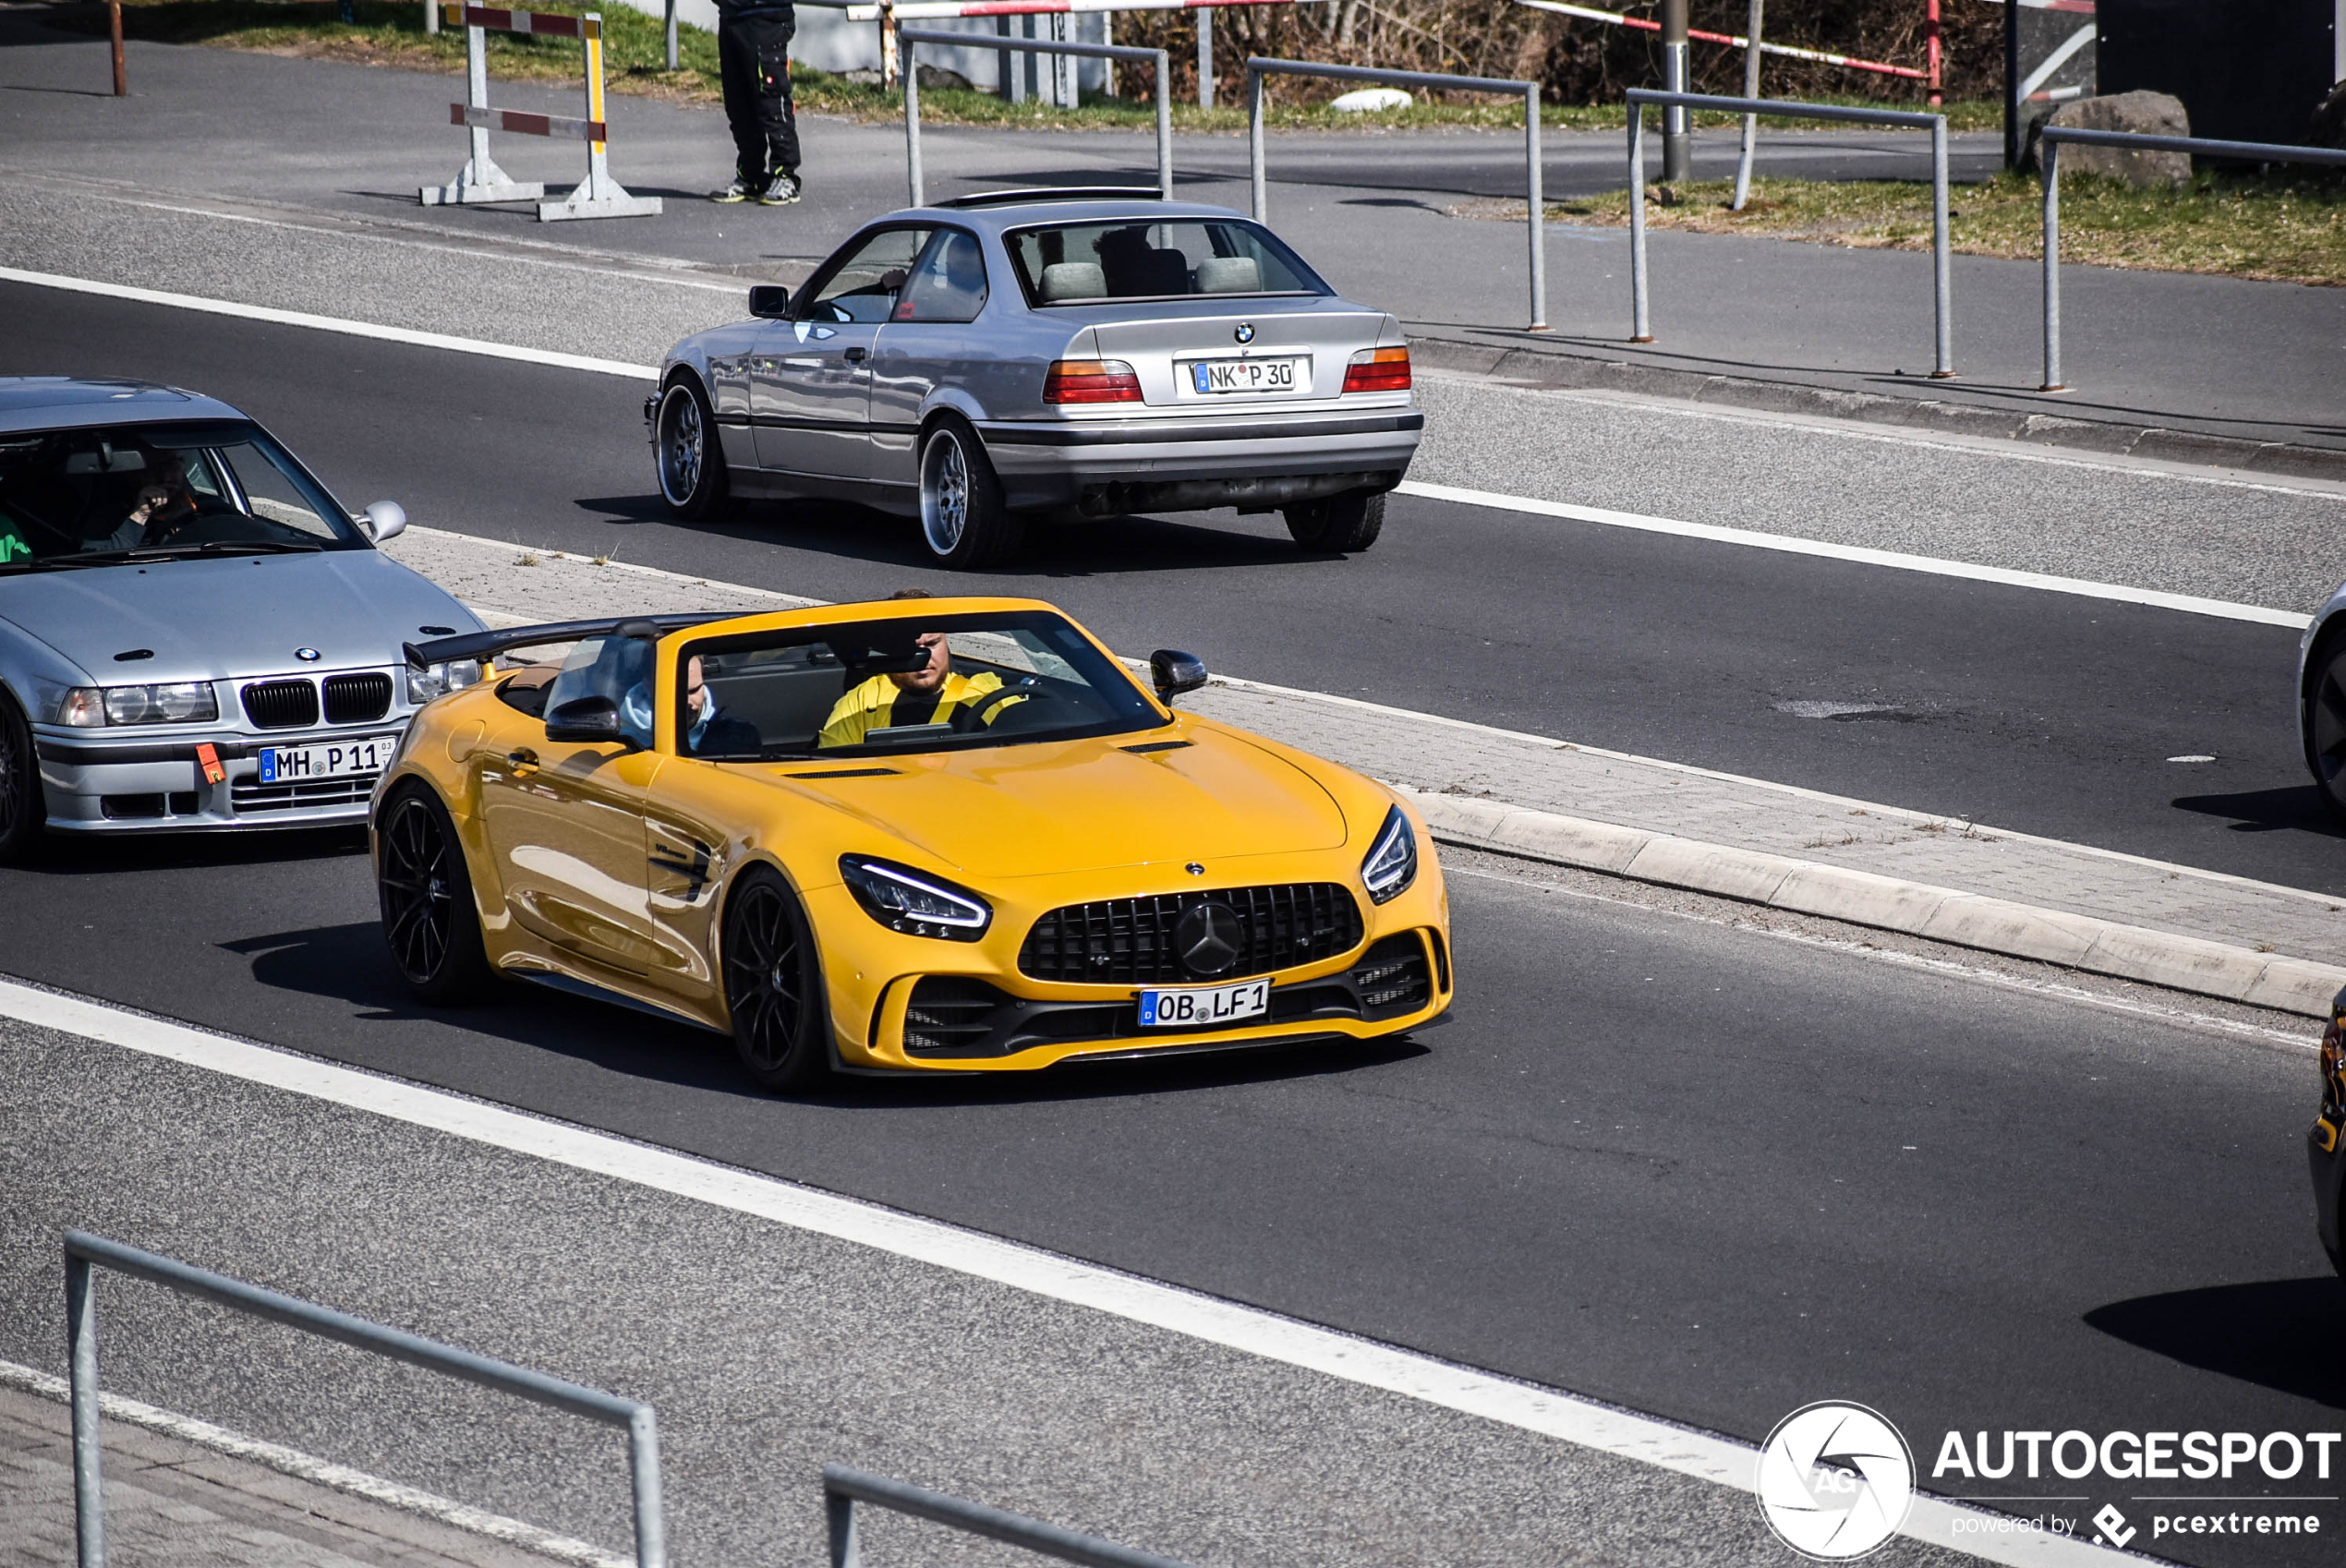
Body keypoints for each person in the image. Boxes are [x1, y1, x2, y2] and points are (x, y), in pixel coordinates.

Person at [711, 0, 802, 207]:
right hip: (731, 14)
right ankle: (751, 175)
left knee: (771, 98)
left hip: (767, 16)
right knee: (738, 102)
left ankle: (786, 176)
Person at [682, 655, 762, 756]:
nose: (687, 702)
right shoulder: (654, 738)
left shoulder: (741, 736)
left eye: (693, 691)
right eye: (675, 693)